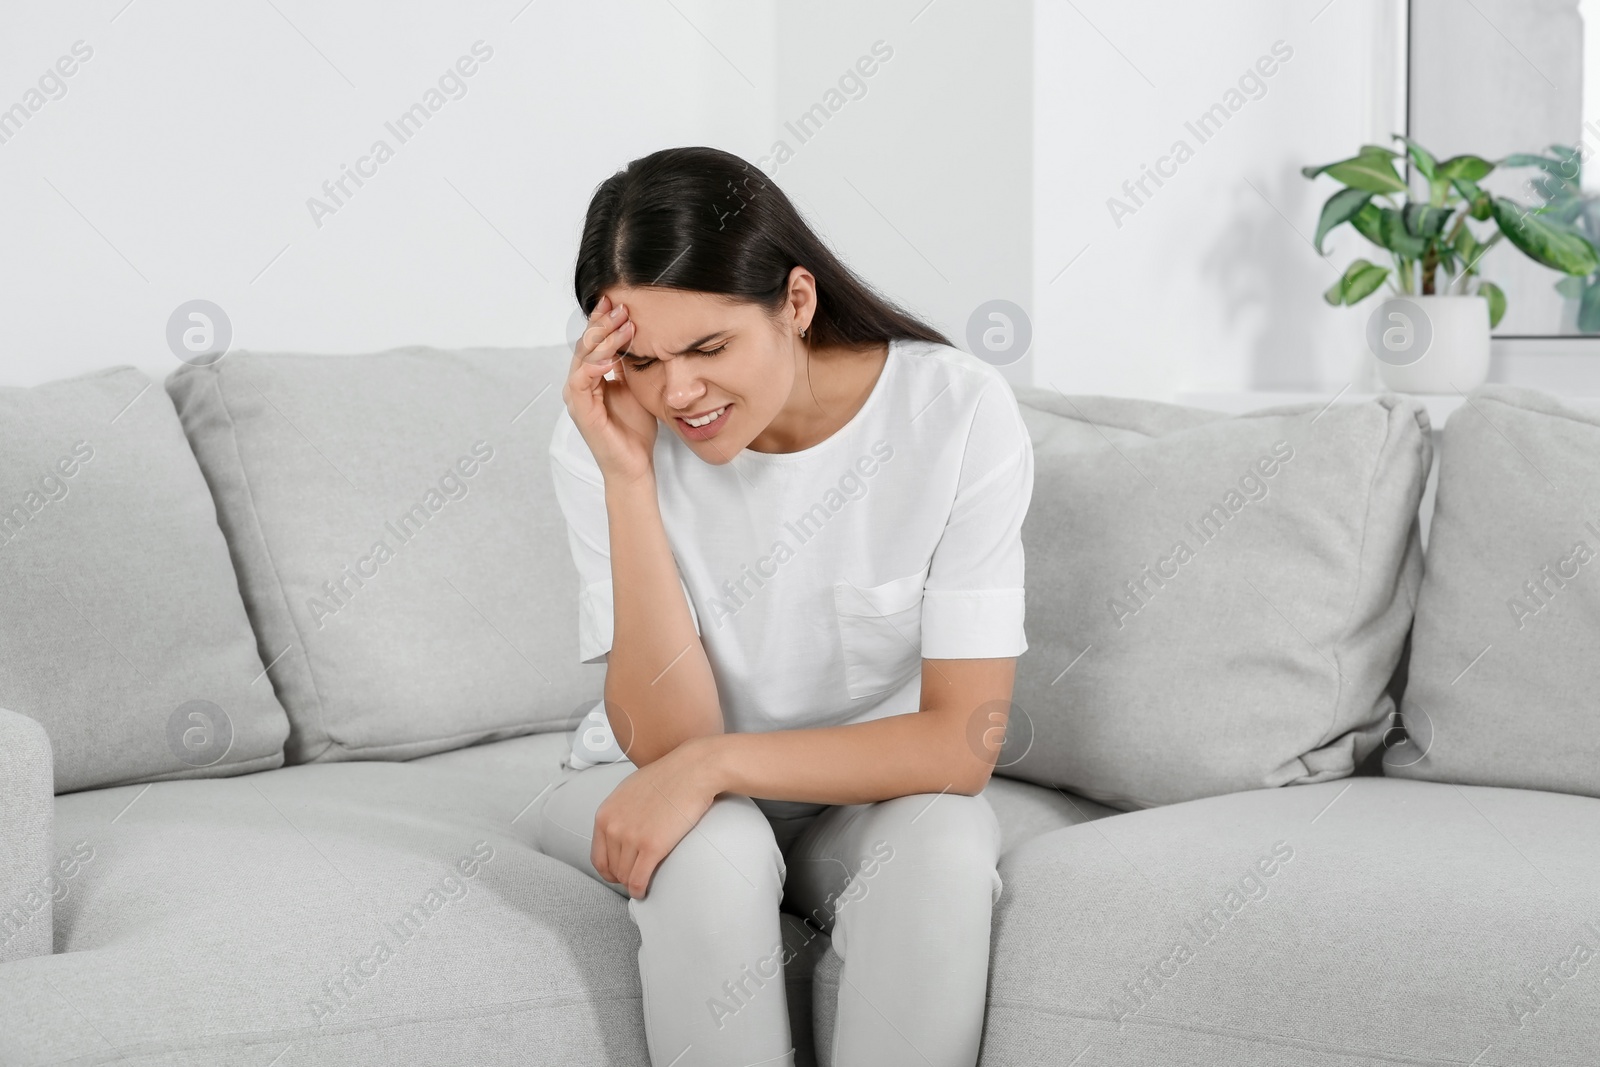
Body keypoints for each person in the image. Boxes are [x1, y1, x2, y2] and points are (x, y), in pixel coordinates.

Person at [535, 145, 1033, 1067]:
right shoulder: (607, 443)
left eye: (708, 347)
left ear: (796, 303)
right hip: (650, 770)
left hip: (860, 795)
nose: (677, 392)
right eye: (641, 360)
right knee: (713, 848)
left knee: (946, 838)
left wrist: (720, 762)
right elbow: (667, 743)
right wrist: (629, 476)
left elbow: (962, 742)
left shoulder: (956, 410)